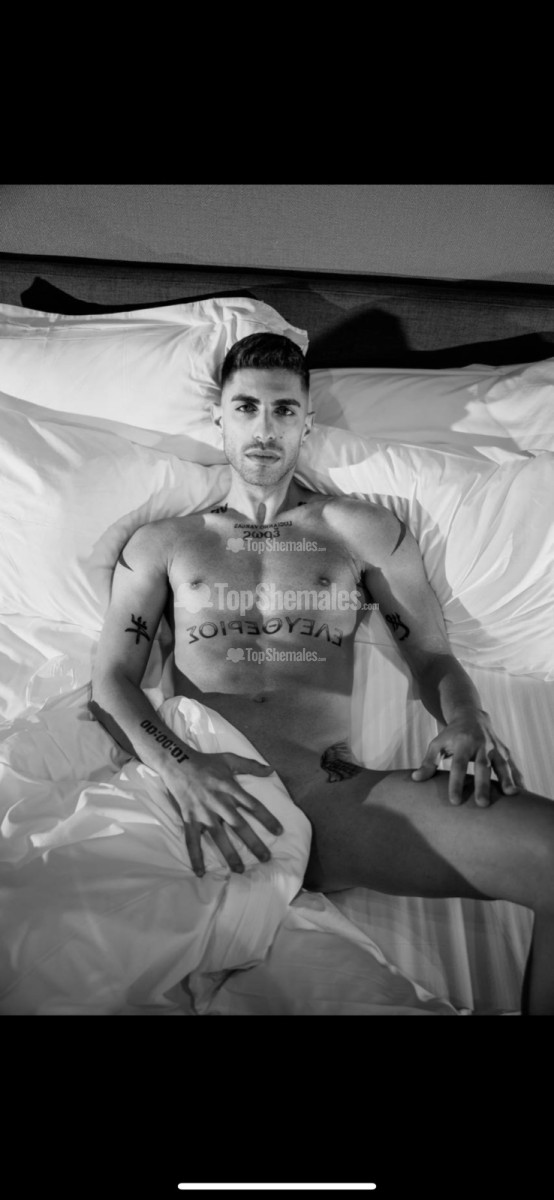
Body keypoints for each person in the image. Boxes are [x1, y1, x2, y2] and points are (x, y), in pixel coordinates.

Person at [90, 332, 554, 1015]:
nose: (264, 429)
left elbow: (431, 656)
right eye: (246, 407)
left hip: (332, 798)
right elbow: (110, 681)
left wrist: (466, 719)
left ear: (307, 422)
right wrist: (182, 769)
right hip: (208, 796)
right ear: (218, 418)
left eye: (283, 410)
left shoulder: (360, 530)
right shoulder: (164, 544)